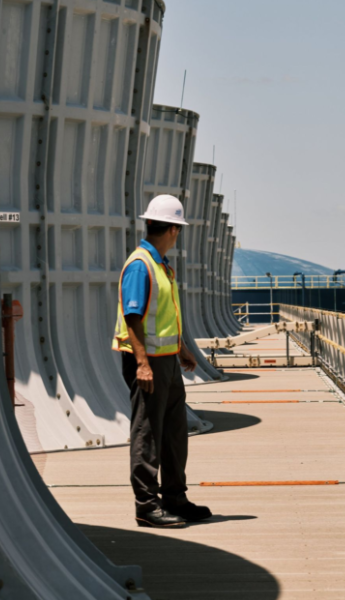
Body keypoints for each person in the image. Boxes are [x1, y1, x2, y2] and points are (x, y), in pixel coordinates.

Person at [112, 195, 213, 528]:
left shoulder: (160, 266)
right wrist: (142, 364)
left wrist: (181, 348)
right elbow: (133, 317)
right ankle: (147, 506)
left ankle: (175, 498)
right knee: (147, 435)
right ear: (172, 229)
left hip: (167, 362)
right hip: (148, 364)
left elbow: (163, 317)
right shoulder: (141, 264)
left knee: (173, 433)